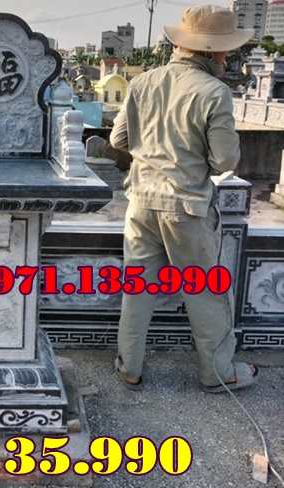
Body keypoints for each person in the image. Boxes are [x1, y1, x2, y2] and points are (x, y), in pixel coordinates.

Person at [108, 5, 258, 393]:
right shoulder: (214, 92)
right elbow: (225, 161)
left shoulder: (143, 82)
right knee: (205, 292)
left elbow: (118, 140)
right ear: (213, 51)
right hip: (187, 209)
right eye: (227, 49)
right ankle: (218, 374)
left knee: (137, 289)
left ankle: (129, 367)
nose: (228, 56)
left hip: (141, 202)